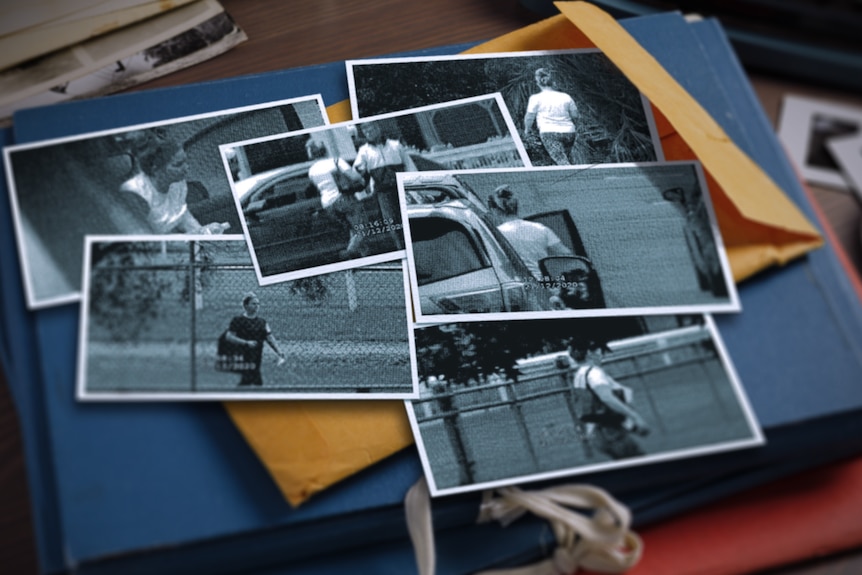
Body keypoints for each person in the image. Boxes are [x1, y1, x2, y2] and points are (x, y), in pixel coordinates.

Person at [119, 135, 230, 235]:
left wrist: (203, 231)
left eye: (185, 161)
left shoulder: (178, 183)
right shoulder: (134, 193)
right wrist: (192, 236)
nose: (187, 168)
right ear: (155, 169)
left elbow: (182, 216)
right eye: (178, 164)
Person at [567, 340, 650, 460]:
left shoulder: (579, 375)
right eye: (600, 351)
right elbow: (607, 398)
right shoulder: (594, 373)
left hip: (599, 435)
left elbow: (593, 410)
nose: (602, 355)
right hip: (611, 433)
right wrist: (635, 417)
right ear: (590, 352)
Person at [352, 121, 417, 249]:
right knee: (393, 223)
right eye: (366, 131)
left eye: (371, 129)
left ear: (378, 128)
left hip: (402, 188)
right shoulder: (364, 151)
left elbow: (409, 165)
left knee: (411, 218)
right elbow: (356, 172)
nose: (369, 133)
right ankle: (402, 249)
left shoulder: (395, 145)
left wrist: (414, 184)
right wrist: (360, 173)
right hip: (384, 193)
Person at [487, 185, 571, 281]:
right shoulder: (541, 228)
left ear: (494, 210)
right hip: (544, 283)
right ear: (516, 207)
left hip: (517, 285)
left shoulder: (495, 235)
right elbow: (566, 254)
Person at [305, 139, 371, 258]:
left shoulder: (312, 171)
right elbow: (354, 176)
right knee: (362, 228)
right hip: (343, 198)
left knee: (353, 229)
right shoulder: (336, 161)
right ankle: (348, 253)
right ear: (324, 150)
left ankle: (364, 256)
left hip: (327, 205)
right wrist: (363, 174)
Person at [223, 292, 285, 387]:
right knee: (250, 381)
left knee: (252, 381)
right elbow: (229, 336)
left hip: (256, 357)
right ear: (246, 305)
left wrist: (279, 351)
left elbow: (269, 337)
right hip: (242, 356)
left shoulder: (262, 322)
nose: (257, 306)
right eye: (253, 304)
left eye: (258, 304)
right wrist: (246, 343)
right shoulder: (238, 320)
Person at [523, 67, 580, 165]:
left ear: (538, 83)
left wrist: (527, 130)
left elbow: (529, 117)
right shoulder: (566, 96)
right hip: (569, 133)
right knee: (567, 159)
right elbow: (575, 115)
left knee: (562, 162)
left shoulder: (535, 98)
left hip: (549, 133)